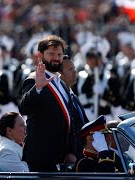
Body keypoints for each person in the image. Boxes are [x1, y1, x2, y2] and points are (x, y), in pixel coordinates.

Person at [18, 35, 76, 172]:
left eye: (59, 54)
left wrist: (72, 151)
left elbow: (69, 119)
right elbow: (23, 108)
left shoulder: (61, 83)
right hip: (41, 157)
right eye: (51, 54)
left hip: (62, 157)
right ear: (40, 55)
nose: (56, 58)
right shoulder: (33, 80)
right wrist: (37, 88)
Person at [59, 55, 89, 160]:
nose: (75, 72)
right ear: (60, 74)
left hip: (81, 151)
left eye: (74, 69)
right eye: (70, 69)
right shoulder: (61, 98)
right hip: (70, 155)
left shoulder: (73, 95)